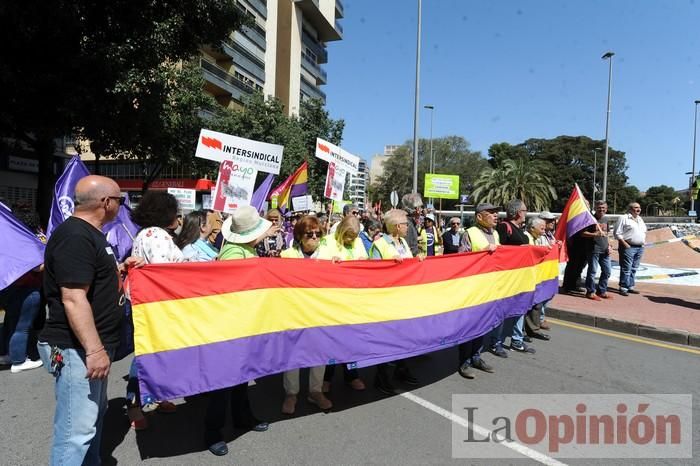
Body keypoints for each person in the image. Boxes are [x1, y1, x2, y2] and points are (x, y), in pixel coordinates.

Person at [37, 175, 144, 466]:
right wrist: (94, 350)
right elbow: (73, 297)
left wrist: (120, 268)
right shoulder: (76, 237)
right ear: (106, 202)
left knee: (93, 419)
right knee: (77, 430)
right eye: (121, 200)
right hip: (76, 349)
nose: (123, 206)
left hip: (89, 347)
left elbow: (88, 280)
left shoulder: (89, 235)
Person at [206, 205, 276, 456]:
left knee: (241, 378)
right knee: (223, 383)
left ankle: (242, 417)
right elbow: (231, 292)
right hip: (230, 327)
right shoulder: (234, 254)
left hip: (244, 324)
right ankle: (212, 432)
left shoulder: (246, 250)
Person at [279, 215, 333, 414]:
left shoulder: (329, 255)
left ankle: (315, 391)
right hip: (294, 313)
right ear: (300, 236)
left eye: (318, 234)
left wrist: (337, 266)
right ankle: (291, 393)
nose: (314, 237)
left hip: (320, 313)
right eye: (309, 234)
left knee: (320, 353)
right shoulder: (286, 257)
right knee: (292, 354)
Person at [369, 209, 423, 395]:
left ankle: (401, 368)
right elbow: (373, 271)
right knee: (387, 338)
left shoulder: (403, 243)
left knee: (404, 336)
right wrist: (390, 265)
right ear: (396, 226)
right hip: (387, 299)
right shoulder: (380, 244)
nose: (408, 227)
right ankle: (381, 376)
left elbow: (408, 265)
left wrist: (417, 261)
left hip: (403, 297)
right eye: (405, 224)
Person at [317, 216, 368, 391]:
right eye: (348, 236)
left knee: (352, 341)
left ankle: (352, 375)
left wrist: (363, 263)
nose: (350, 240)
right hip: (334, 301)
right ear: (340, 231)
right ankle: (326, 379)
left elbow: (365, 262)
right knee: (332, 341)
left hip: (353, 301)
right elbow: (319, 266)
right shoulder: (327, 242)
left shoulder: (359, 242)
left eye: (353, 237)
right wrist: (332, 264)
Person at [456, 203, 500, 379]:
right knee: (469, 327)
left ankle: (476, 357)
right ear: (479, 217)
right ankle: (464, 362)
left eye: (495, 213)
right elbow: (461, 260)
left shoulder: (495, 234)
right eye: (490, 213)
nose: (495, 216)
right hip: (472, 289)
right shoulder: (469, 234)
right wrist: (482, 252)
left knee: (482, 326)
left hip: (488, 289)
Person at [488, 199, 536, 356]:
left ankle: (517, 340)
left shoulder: (520, 229)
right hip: (507, 277)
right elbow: (500, 251)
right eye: (525, 210)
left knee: (520, 308)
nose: (526, 213)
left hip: (520, 277)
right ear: (518, 213)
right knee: (502, 310)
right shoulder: (504, 227)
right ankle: (496, 342)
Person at [0, 210, 44, 373]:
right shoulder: (27, 241)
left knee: (11, 323)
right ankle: (19, 361)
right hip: (26, 289)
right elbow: (38, 267)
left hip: (8, 288)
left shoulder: (8, 239)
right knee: (22, 327)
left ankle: (7, 354)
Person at [581, 201, 614, 300]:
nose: (601, 209)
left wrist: (609, 246)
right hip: (593, 249)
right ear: (595, 208)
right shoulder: (590, 219)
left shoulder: (606, 219)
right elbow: (582, 233)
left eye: (603, 208)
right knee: (592, 272)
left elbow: (607, 234)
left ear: (606, 208)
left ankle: (601, 291)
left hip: (605, 250)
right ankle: (590, 292)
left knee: (607, 271)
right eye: (599, 208)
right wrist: (594, 234)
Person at [614, 202, 647, 296]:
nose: (638, 209)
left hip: (640, 247)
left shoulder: (640, 219)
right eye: (636, 207)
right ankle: (623, 287)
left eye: (639, 207)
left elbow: (644, 231)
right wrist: (624, 244)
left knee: (634, 268)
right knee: (626, 268)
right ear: (630, 209)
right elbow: (617, 233)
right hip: (628, 246)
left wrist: (643, 242)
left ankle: (630, 286)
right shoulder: (623, 218)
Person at [535, 211, 558, 329]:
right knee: (541, 296)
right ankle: (540, 318)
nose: (552, 223)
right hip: (541, 270)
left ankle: (541, 317)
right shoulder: (539, 236)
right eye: (549, 220)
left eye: (553, 220)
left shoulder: (550, 235)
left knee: (548, 294)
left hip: (549, 271)